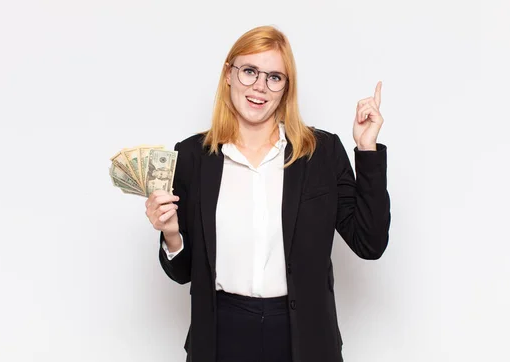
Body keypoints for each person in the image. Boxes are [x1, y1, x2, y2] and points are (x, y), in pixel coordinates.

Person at [145, 25, 391, 362]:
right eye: (249, 72)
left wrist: (367, 149)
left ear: (286, 88)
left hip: (303, 339)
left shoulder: (322, 153)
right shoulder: (191, 157)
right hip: (220, 335)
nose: (260, 86)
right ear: (228, 75)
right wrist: (171, 233)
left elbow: (370, 244)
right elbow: (183, 272)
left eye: (274, 77)